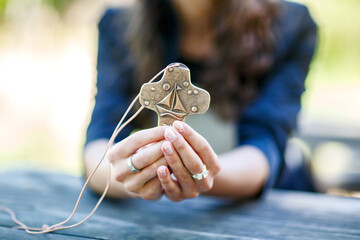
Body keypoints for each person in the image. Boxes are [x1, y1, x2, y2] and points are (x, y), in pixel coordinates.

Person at [83, 0, 317, 201]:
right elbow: (99, 145)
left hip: (266, 207)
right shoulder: (118, 26)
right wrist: (125, 177)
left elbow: (266, 143)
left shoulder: (289, 25)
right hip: (156, 215)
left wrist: (201, 176)